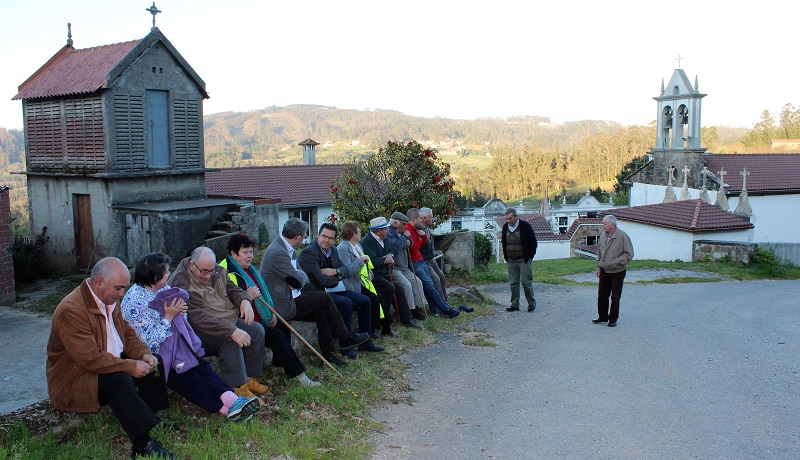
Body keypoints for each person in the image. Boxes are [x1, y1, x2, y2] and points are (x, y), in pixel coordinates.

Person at [46, 257, 174, 459]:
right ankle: (142, 442)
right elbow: (90, 359)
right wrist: (130, 365)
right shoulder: (71, 310)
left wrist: (144, 354)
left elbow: (128, 334)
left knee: (153, 361)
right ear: (99, 282)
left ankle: (151, 419)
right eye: (119, 288)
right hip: (77, 378)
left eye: (124, 288)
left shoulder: (108, 298)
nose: (122, 294)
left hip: (103, 363)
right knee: (120, 379)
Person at [121, 253, 261, 421]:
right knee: (190, 381)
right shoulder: (134, 302)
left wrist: (181, 313)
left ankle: (232, 400)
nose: (168, 274)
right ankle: (226, 409)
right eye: (165, 272)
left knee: (202, 368)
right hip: (160, 356)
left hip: (178, 347)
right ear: (155, 277)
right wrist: (168, 317)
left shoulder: (163, 289)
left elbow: (183, 319)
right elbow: (146, 343)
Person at [260, 218, 369, 367]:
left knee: (321, 311)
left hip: (293, 297)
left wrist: (300, 276)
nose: (304, 239)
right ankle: (345, 337)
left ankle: (328, 355)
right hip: (281, 306)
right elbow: (301, 279)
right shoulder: (279, 251)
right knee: (324, 298)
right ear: (298, 237)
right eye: (304, 236)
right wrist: (299, 277)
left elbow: (299, 277)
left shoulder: (285, 248)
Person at [168, 247, 270, 399]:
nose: (208, 276)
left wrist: (244, 300)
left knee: (256, 330)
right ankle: (238, 388)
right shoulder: (181, 282)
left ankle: (250, 378)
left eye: (211, 270)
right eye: (204, 271)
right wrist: (231, 331)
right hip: (194, 331)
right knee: (229, 339)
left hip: (222, 319)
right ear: (191, 265)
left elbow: (232, 289)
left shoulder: (217, 270)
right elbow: (198, 317)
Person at [220, 233, 321, 386]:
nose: (250, 256)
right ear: (233, 254)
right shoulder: (224, 272)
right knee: (277, 336)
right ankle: (299, 376)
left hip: (260, 317)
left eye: (251, 252)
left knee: (282, 325)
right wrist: (247, 296)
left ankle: (280, 364)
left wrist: (272, 312)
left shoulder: (250, 269)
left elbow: (264, 292)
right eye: (245, 252)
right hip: (242, 323)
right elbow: (224, 306)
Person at [299, 223, 384, 358]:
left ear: (334, 240)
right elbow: (320, 280)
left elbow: (344, 269)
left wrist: (335, 272)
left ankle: (366, 341)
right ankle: (346, 345)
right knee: (345, 303)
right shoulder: (309, 253)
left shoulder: (333, 249)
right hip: (318, 293)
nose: (327, 240)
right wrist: (338, 276)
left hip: (334, 289)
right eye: (324, 236)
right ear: (317, 236)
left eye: (331, 238)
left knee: (365, 300)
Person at [337, 220, 395, 337]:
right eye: (358, 231)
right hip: (352, 285)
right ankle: (372, 330)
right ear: (353, 234)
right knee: (373, 298)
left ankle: (385, 328)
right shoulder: (343, 248)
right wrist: (360, 261)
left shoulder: (357, 246)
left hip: (363, 282)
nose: (360, 234)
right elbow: (347, 271)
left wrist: (370, 275)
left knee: (379, 297)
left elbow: (367, 267)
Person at [360, 216, 418, 328]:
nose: (387, 231)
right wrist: (385, 259)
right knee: (389, 288)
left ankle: (406, 319)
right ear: (378, 230)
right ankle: (385, 322)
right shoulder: (367, 242)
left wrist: (390, 255)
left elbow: (390, 251)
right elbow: (371, 262)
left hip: (385, 273)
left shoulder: (384, 239)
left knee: (399, 289)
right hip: (374, 276)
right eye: (385, 229)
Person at [404, 208, 461, 318]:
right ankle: (444, 308)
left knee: (431, 284)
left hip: (420, 260)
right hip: (416, 261)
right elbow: (414, 247)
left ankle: (440, 307)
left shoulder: (415, 229)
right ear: (415, 219)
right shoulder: (409, 230)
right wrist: (420, 238)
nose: (421, 221)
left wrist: (423, 237)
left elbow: (419, 245)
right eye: (420, 219)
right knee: (430, 285)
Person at [594, 215, 634, 327]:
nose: (603, 226)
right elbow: (599, 253)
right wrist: (598, 267)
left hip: (617, 271)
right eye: (603, 223)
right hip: (604, 270)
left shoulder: (622, 236)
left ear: (612, 224)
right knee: (602, 294)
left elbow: (629, 254)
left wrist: (616, 262)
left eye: (605, 224)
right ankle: (602, 317)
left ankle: (613, 319)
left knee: (615, 296)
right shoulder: (602, 236)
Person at [386, 211, 427, 320]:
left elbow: (411, 243)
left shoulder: (401, 232)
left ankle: (418, 307)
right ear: (395, 223)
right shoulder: (389, 232)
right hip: (395, 268)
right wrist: (404, 238)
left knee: (417, 282)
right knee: (407, 285)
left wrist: (405, 239)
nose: (405, 226)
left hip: (404, 266)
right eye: (403, 224)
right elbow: (396, 246)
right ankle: (410, 311)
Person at [501, 207, 538, 312]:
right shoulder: (505, 227)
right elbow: (504, 242)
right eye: (507, 218)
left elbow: (533, 243)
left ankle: (531, 303)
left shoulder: (525, 226)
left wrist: (530, 257)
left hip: (523, 260)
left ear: (516, 216)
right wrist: (506, 257)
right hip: (511, 260)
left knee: (526, 282)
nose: (508, 221)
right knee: (513, 283)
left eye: (510, 218)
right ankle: (515, 305)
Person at [419, 207, 448, 302]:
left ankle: (445, 302)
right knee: (436, 280)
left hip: (431, 258)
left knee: (441, 278)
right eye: (431, 217)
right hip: (424, 260)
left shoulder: (427, 229)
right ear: (423, 218)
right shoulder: (418, 230)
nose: (432, 219)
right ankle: (441, 305)